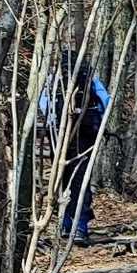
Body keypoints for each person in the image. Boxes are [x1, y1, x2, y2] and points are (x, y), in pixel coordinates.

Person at [39, 49, 110, 246]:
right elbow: (106, 101)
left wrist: (54, 123)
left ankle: (65, 224)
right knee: (81, 180)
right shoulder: (90, 79)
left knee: (62, 178)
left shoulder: (54, 81)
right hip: (85, 136)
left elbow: (44, 104)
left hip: (59, 137)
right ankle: (80, 227)